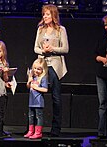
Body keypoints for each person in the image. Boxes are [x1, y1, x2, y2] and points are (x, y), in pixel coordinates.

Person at [34, 4, 69, 137]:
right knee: (36, 95)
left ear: (53, 15)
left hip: (55, 65)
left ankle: (56, 128)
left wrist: (52, 49)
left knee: (55, 97)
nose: (45, 16)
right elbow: (35, 48)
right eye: (44, 14)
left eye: (47, 14)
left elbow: (65, 49)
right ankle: (36, 128)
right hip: (41, 65)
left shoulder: (61, 30)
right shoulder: (40, 29)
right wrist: (43, 50)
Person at [24, 58, 48, 139]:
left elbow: (45, 89)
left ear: (43, 70)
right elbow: (28, 87)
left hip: (38, 102)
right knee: (31, 116)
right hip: (31, 101)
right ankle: (31, 131)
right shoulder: (33, 77)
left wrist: (36, 87)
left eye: (39, 69)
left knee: (38, 117)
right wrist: (29, 81)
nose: (36, 70)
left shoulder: (43, 78)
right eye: (35, 68)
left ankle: (38, 132)